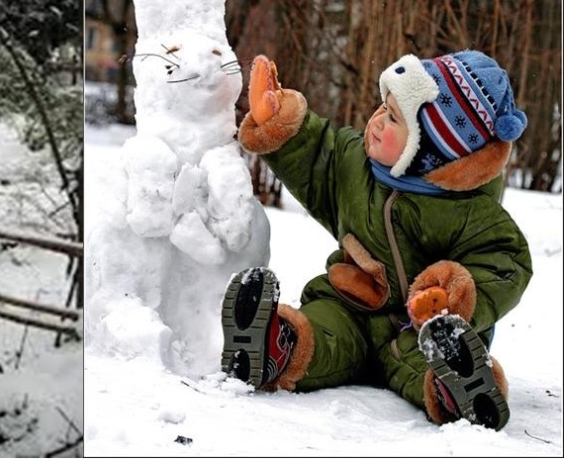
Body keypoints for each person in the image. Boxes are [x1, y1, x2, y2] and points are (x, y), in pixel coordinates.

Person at [223, 50, 531, 431]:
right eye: (383, 108)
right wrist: (280, 122)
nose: (377, 122)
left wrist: (456, 294)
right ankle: (275, 344)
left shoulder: (468, 210)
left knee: (425, 364)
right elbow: (317, 157)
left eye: (394, 119)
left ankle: (457, 387)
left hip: (416, 331)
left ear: (427, 152)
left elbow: (505, 263)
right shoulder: (355, 165)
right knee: (321, 329)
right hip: (350, 307)